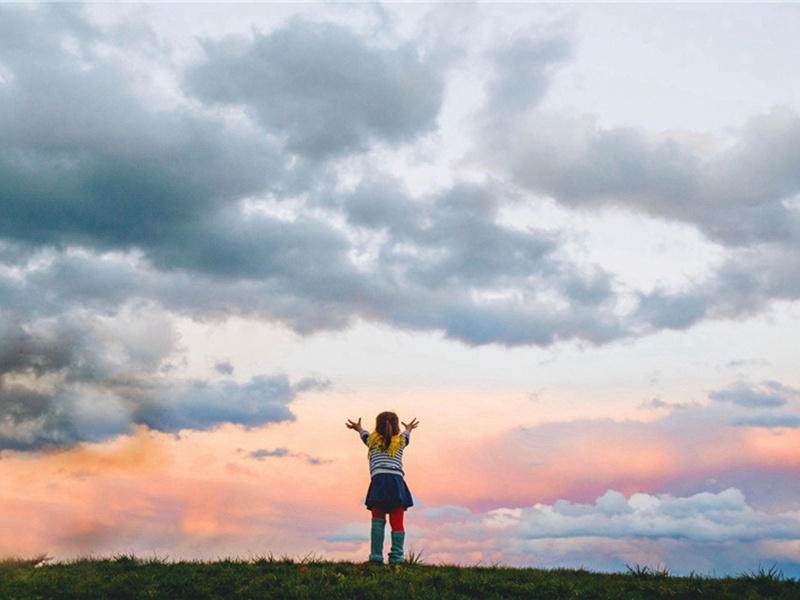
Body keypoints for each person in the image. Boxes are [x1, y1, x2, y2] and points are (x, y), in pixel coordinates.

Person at [346, 411, 419, 564]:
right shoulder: (400, 443)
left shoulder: (372, 442)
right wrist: (409, 428)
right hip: (397, 484)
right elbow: (407, 436)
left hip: (379, 483)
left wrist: (358, 428)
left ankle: (376, 558)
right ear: (396, 426)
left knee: (377, 521)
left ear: (377, 426)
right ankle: (397, 558)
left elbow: (364, 435)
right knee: (397, 521)